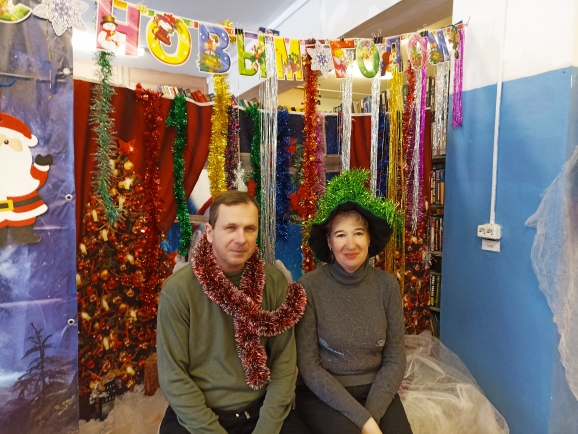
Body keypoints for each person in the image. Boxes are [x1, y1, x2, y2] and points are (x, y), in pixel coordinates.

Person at [157, 191, 308, 434]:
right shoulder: (178, 290)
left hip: (261, 411)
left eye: (249, 229)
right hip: (199, 414)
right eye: (230, 228)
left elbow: (284, 364)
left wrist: (267, 427)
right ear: (209, 232)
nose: (241, 239)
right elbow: (173, 377)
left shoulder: (274, 282)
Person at [295, 169, 413, 434]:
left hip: (377, 391)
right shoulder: (308, 288)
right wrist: (364, 421)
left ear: (369, 239)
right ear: (329, 242)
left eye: (358, 233)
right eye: (340, 235)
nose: (350, 244)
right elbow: (310, 367)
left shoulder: (387, 285)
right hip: (324, 395)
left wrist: (372, 416)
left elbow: (395, 358)